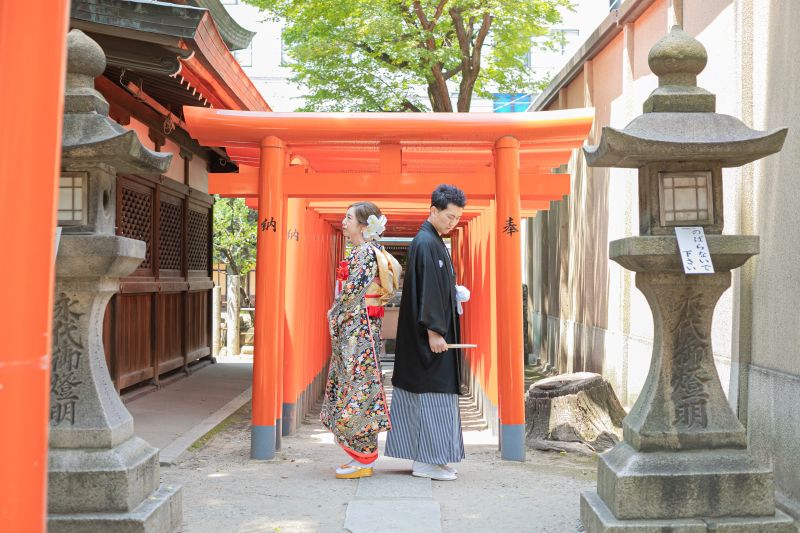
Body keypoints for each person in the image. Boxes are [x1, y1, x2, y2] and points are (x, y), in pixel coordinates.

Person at [385, 184, 467, 481]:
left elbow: (435, 286)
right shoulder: (425, 242)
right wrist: (434, 331)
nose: (453, 222)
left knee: (434, 397)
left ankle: (434, 458)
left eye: (457, 218)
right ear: (433, 210)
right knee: (431, 396)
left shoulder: (432, 241)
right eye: (449, 216)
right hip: (428, 338)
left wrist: (453, 291)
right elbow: (428, 291)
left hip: (431, 335)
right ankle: (426, 461)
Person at [321, 201, 401, 479]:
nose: (343, 222)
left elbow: (351, 295)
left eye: (348, 218)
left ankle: (364, 459)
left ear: (364, 226)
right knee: (357, 387)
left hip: (359, 332)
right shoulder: (364, 251)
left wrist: (333, 314)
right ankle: (360, 456)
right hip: (359, 330)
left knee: (359, 388)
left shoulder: (365, 253)